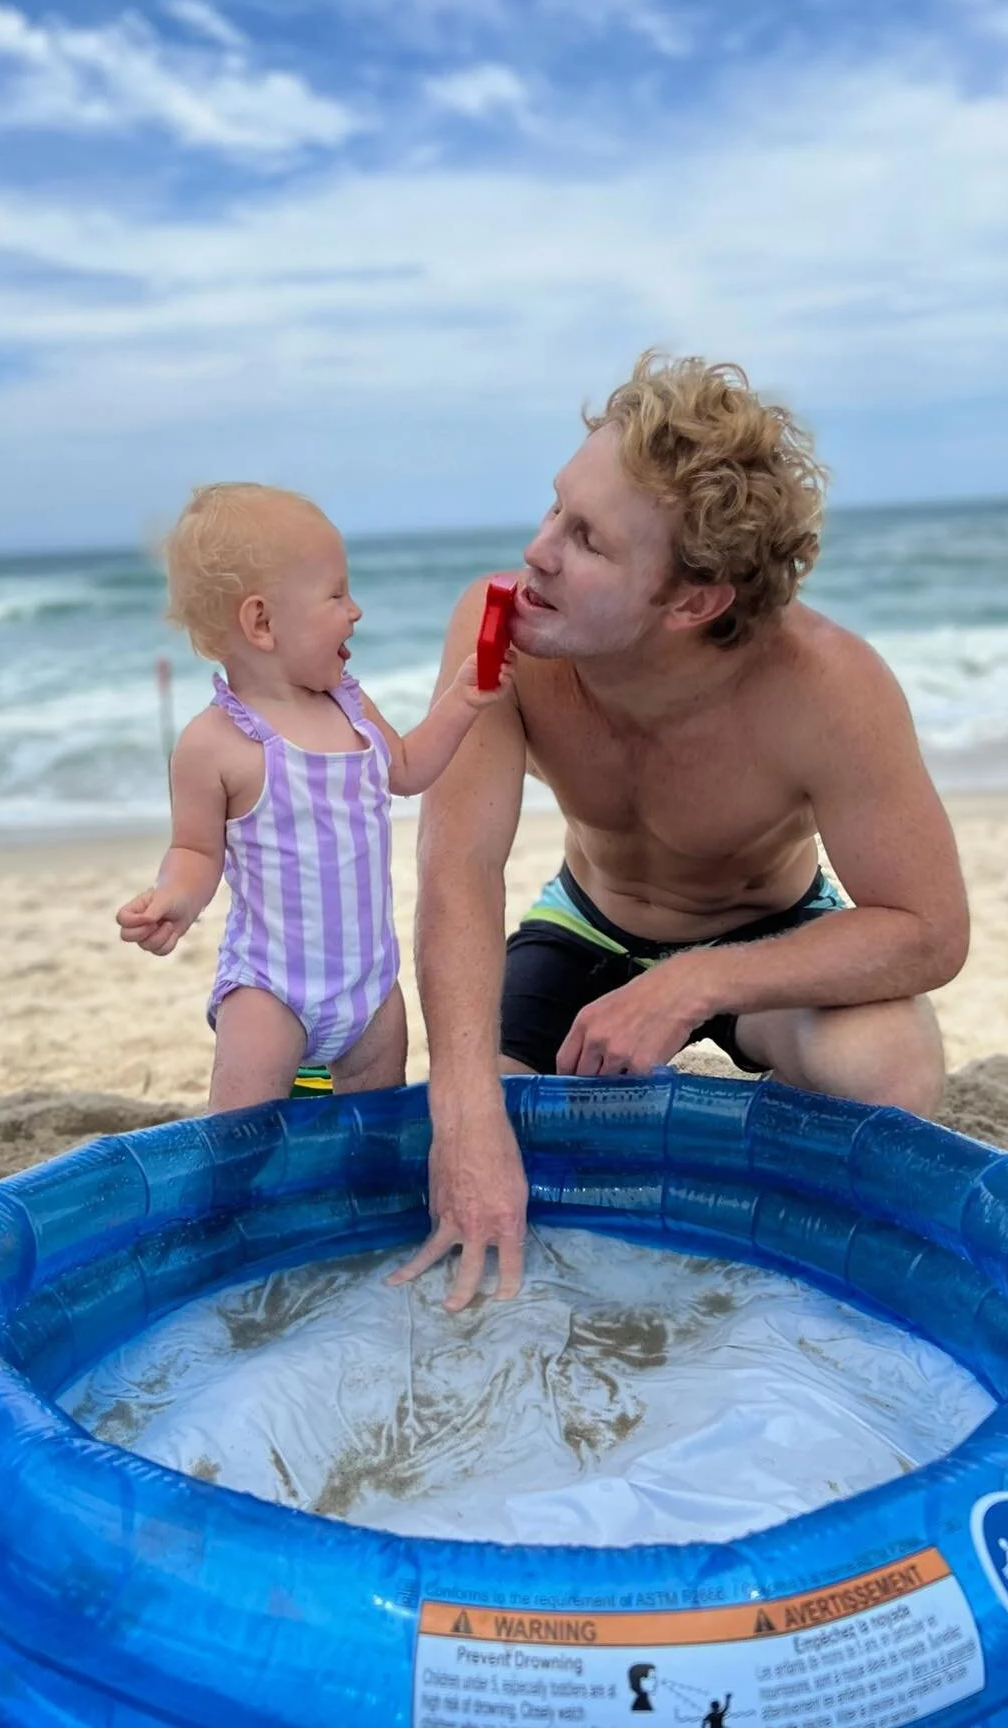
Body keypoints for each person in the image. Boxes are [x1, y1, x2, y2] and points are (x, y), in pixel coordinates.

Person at [390, 351, 970, 1312]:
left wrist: (696, 980)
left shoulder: (829, 688)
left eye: (586, 540)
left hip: (765, 930)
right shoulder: (503, 631)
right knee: (480, 1108)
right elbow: (458, 867)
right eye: (553, 509)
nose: (536, 551)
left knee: (887, 1073)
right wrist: (463, 1106)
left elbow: (929, 928)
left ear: (692, 601)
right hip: (587, 920)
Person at [116, 483, 513, 1111]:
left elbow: (407, 769)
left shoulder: (350, 706)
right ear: (262, 622)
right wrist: (174, 898)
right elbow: (194, 850)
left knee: (376, 1130)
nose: (355, 611)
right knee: (241, 1132)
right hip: (272, 990)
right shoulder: (213, 744)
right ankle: (235, 1205)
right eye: (336, 594)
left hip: (369, 988)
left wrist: (462, 701)